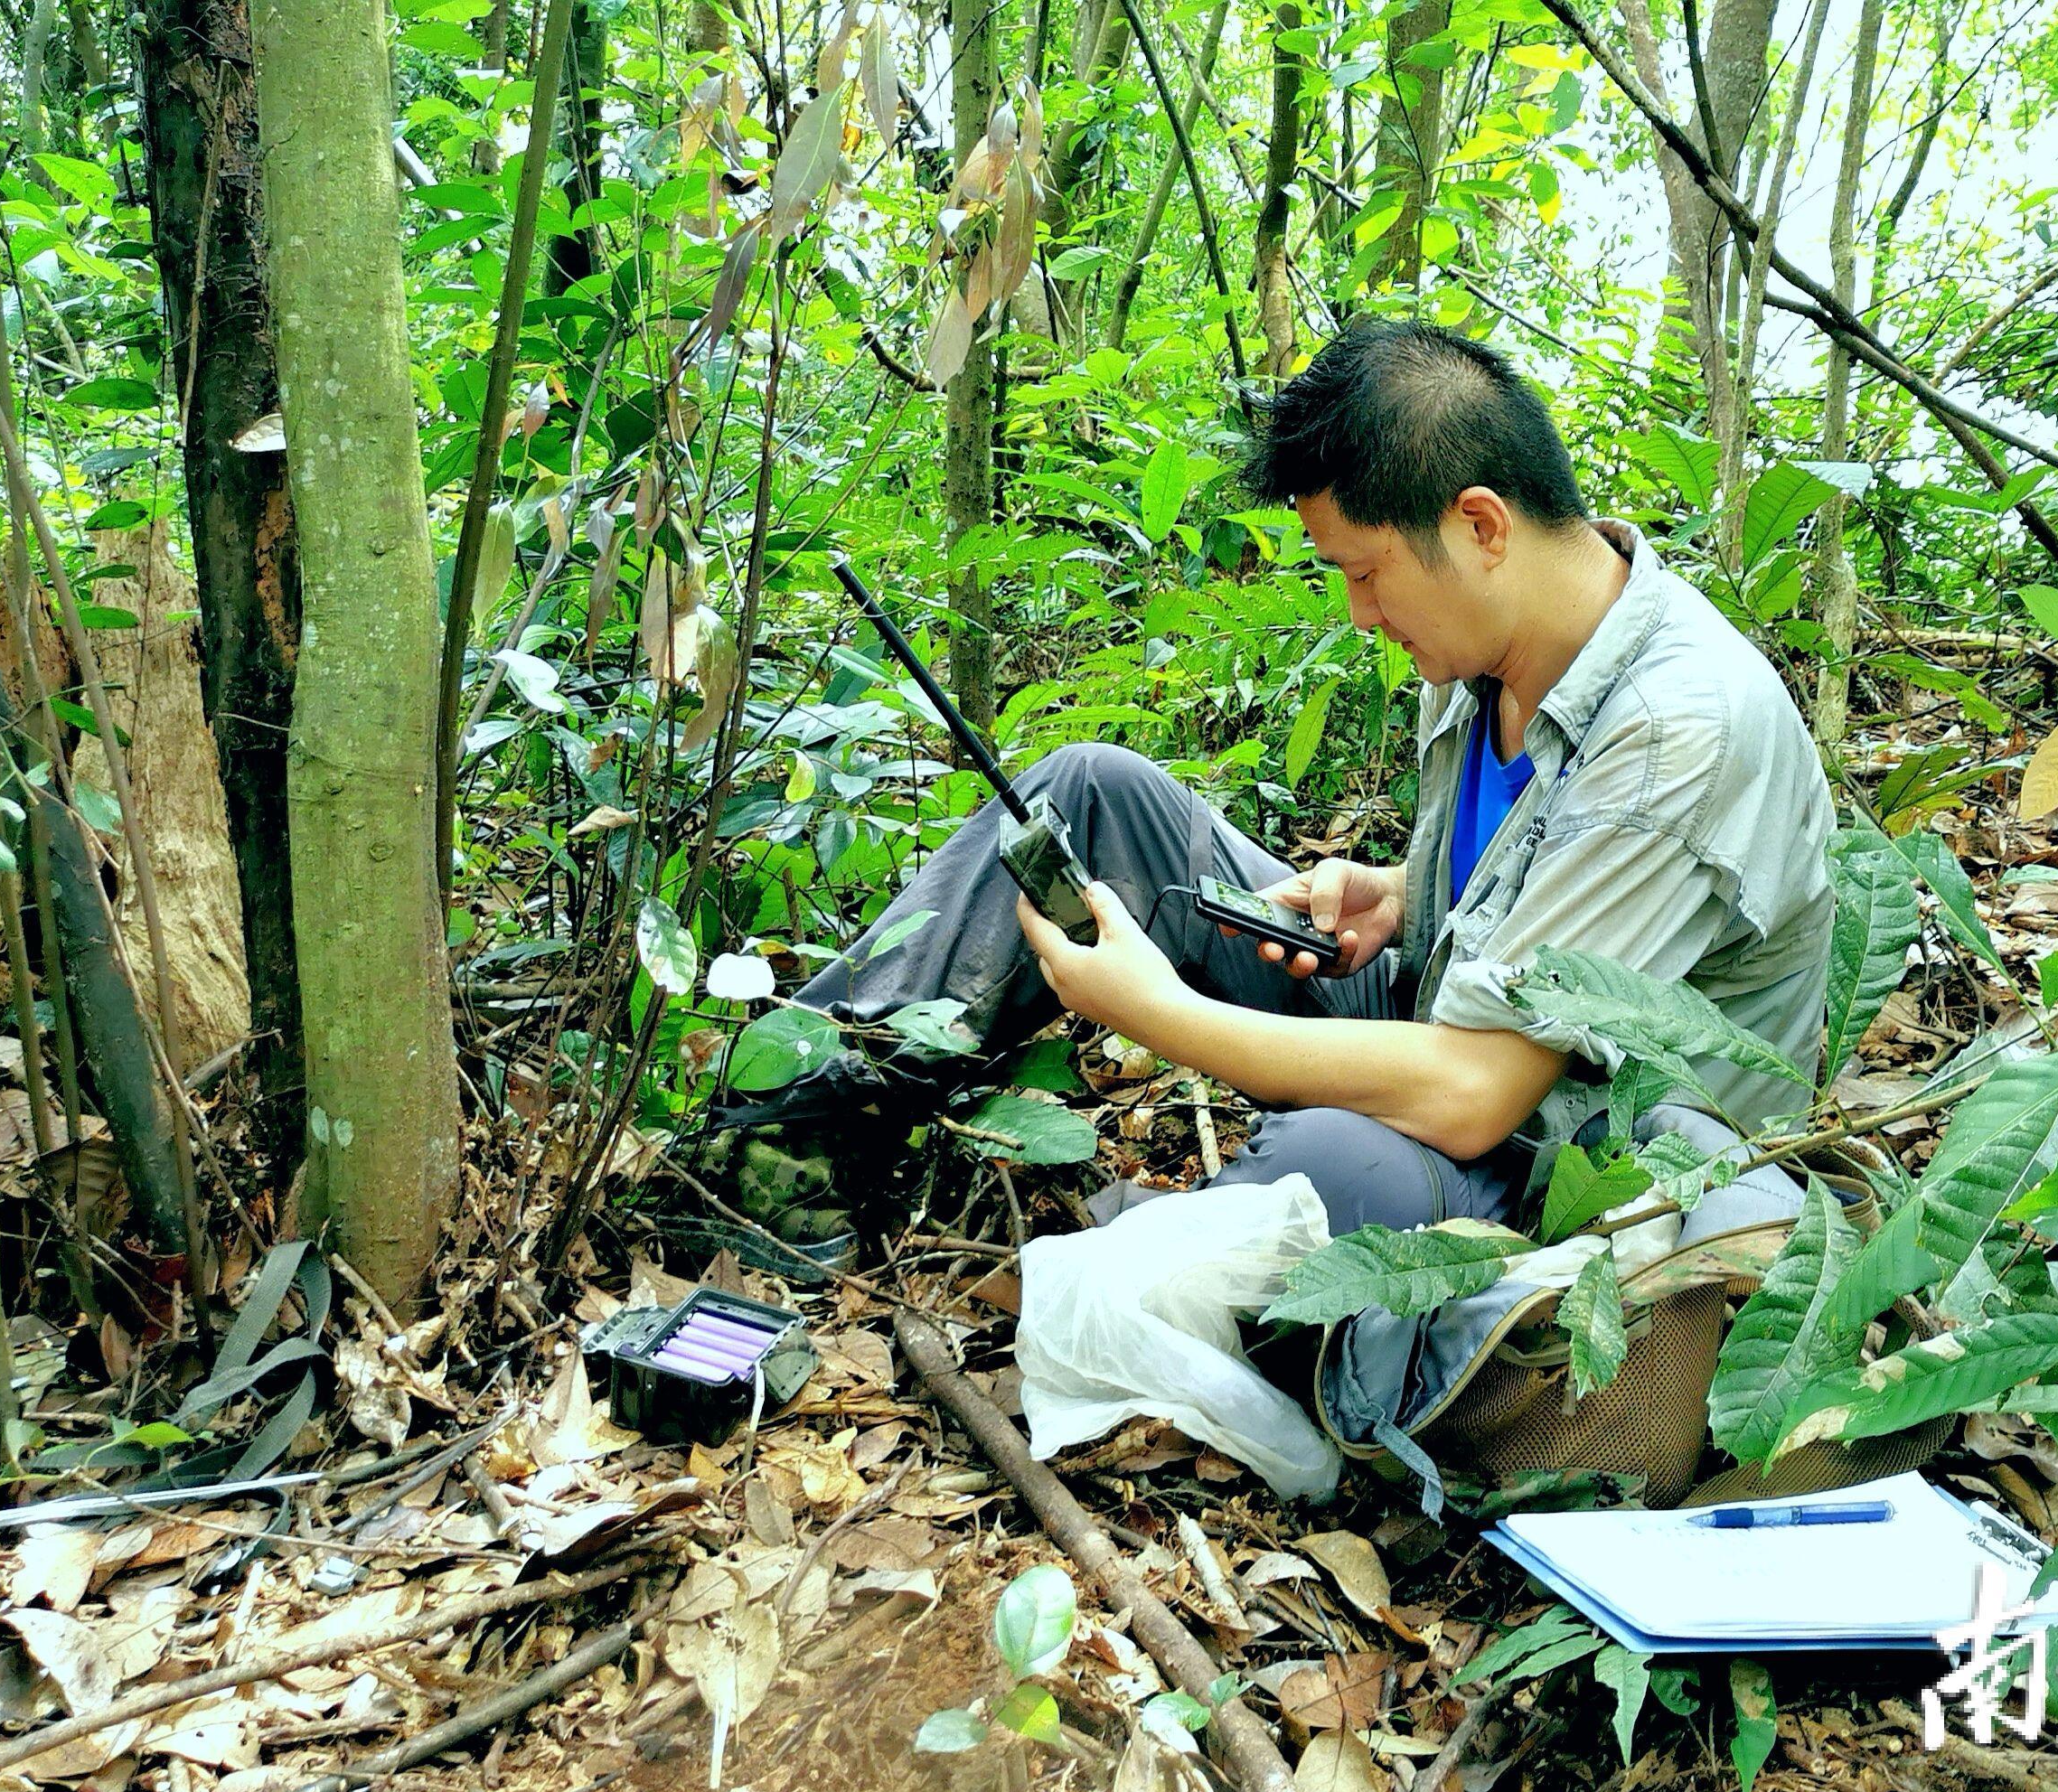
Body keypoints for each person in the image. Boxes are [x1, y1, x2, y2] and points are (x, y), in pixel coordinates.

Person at [705, 314, 1835, 1250]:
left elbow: (1474, 1091)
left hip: (1590, 1177)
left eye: (1365, 573)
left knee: (1319, 1171)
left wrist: (1162, 1017)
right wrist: (1404, 893)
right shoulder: (1492, 652)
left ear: (1479, 525)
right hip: (1454, 1034)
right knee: (1093, 794)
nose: (1359, 614)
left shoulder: (1678, 728)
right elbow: (1553, 899)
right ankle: (778, 1146)